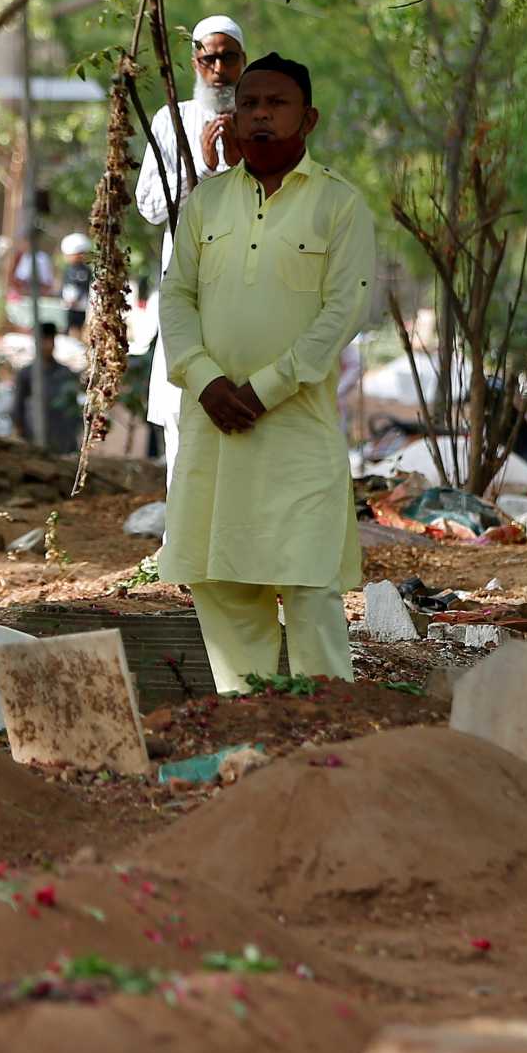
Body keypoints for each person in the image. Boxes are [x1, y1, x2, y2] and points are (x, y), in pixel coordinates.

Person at [159, 52, 375, 691]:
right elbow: (176, 296)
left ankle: (330, 724)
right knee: (222, 582)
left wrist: (265, 388)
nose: (257, 115)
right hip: (214, 424)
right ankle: (250, 726)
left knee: (309, 582)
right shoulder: (207, 204)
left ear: (307, 118)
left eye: (274, 104)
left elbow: (345, 309)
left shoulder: (339, 205)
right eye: (247, 103)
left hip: (294, 428)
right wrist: (203, 379)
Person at [137, 13, 249, 483]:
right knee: (182, 410)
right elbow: (149, 206)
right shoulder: (172, 119)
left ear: (244, 62)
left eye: (228, 58)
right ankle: (179, 546)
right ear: (194, 63)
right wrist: (198, 170)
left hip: (247, 291)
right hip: (186, 286)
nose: (219, 69)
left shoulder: (262, 120)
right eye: (209, 59)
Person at [12, 322, 82, 456]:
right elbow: (17, 407)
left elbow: (74, 407)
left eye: (50, 341)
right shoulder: (26, 373)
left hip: (63, 438)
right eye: (43, 341)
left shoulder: (66, 373)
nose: (47, 345)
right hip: (35, 436)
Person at [59, 232, 94, 332]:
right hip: (67, 306)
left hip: (78, 307)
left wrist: (76, 300)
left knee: (75, 328)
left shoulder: (84, 270)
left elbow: (82, 287)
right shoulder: (68, 269)